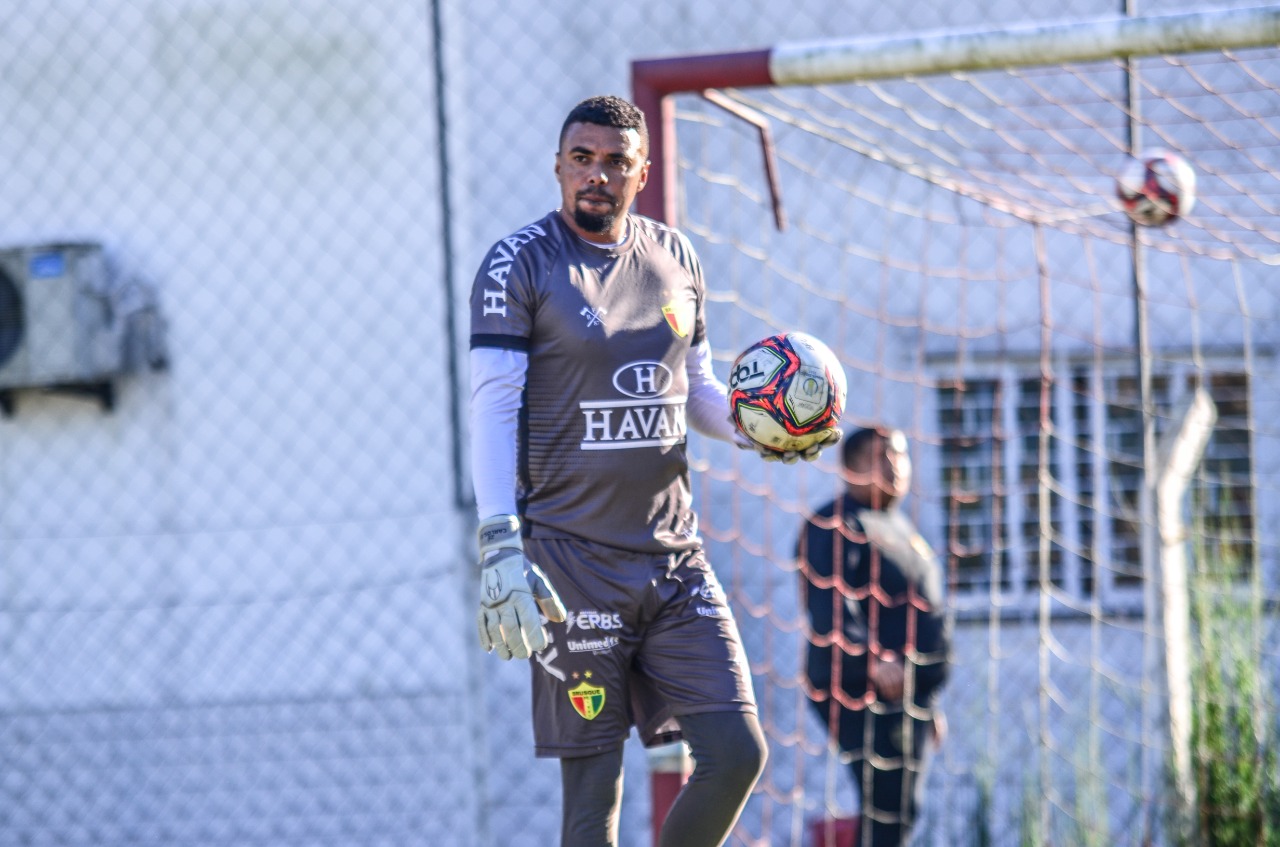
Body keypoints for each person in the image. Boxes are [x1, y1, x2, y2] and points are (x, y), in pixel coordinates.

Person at [467, 95, 839, 847]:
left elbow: (696, 387)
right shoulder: (518, 264)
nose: (596, 175)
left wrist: (751, 432)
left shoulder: (677, 256)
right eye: (582, 158)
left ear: (642, 172)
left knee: (737, 753)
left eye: (615, 161)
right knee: (592, 800)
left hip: (675, 563)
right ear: (559, 166)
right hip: (571, 566)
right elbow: (492, 406)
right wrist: (500, 540)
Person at [797, 426, 952, 847]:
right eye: (882, 458)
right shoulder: (835, 523)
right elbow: (828, 605)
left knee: (903, 806)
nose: (896, 466)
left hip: (910, 693)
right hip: (861, 688)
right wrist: (871, 659)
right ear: (851, 468)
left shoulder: (901, 527)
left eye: (901, 456)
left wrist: (929, 701)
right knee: (885, 802)